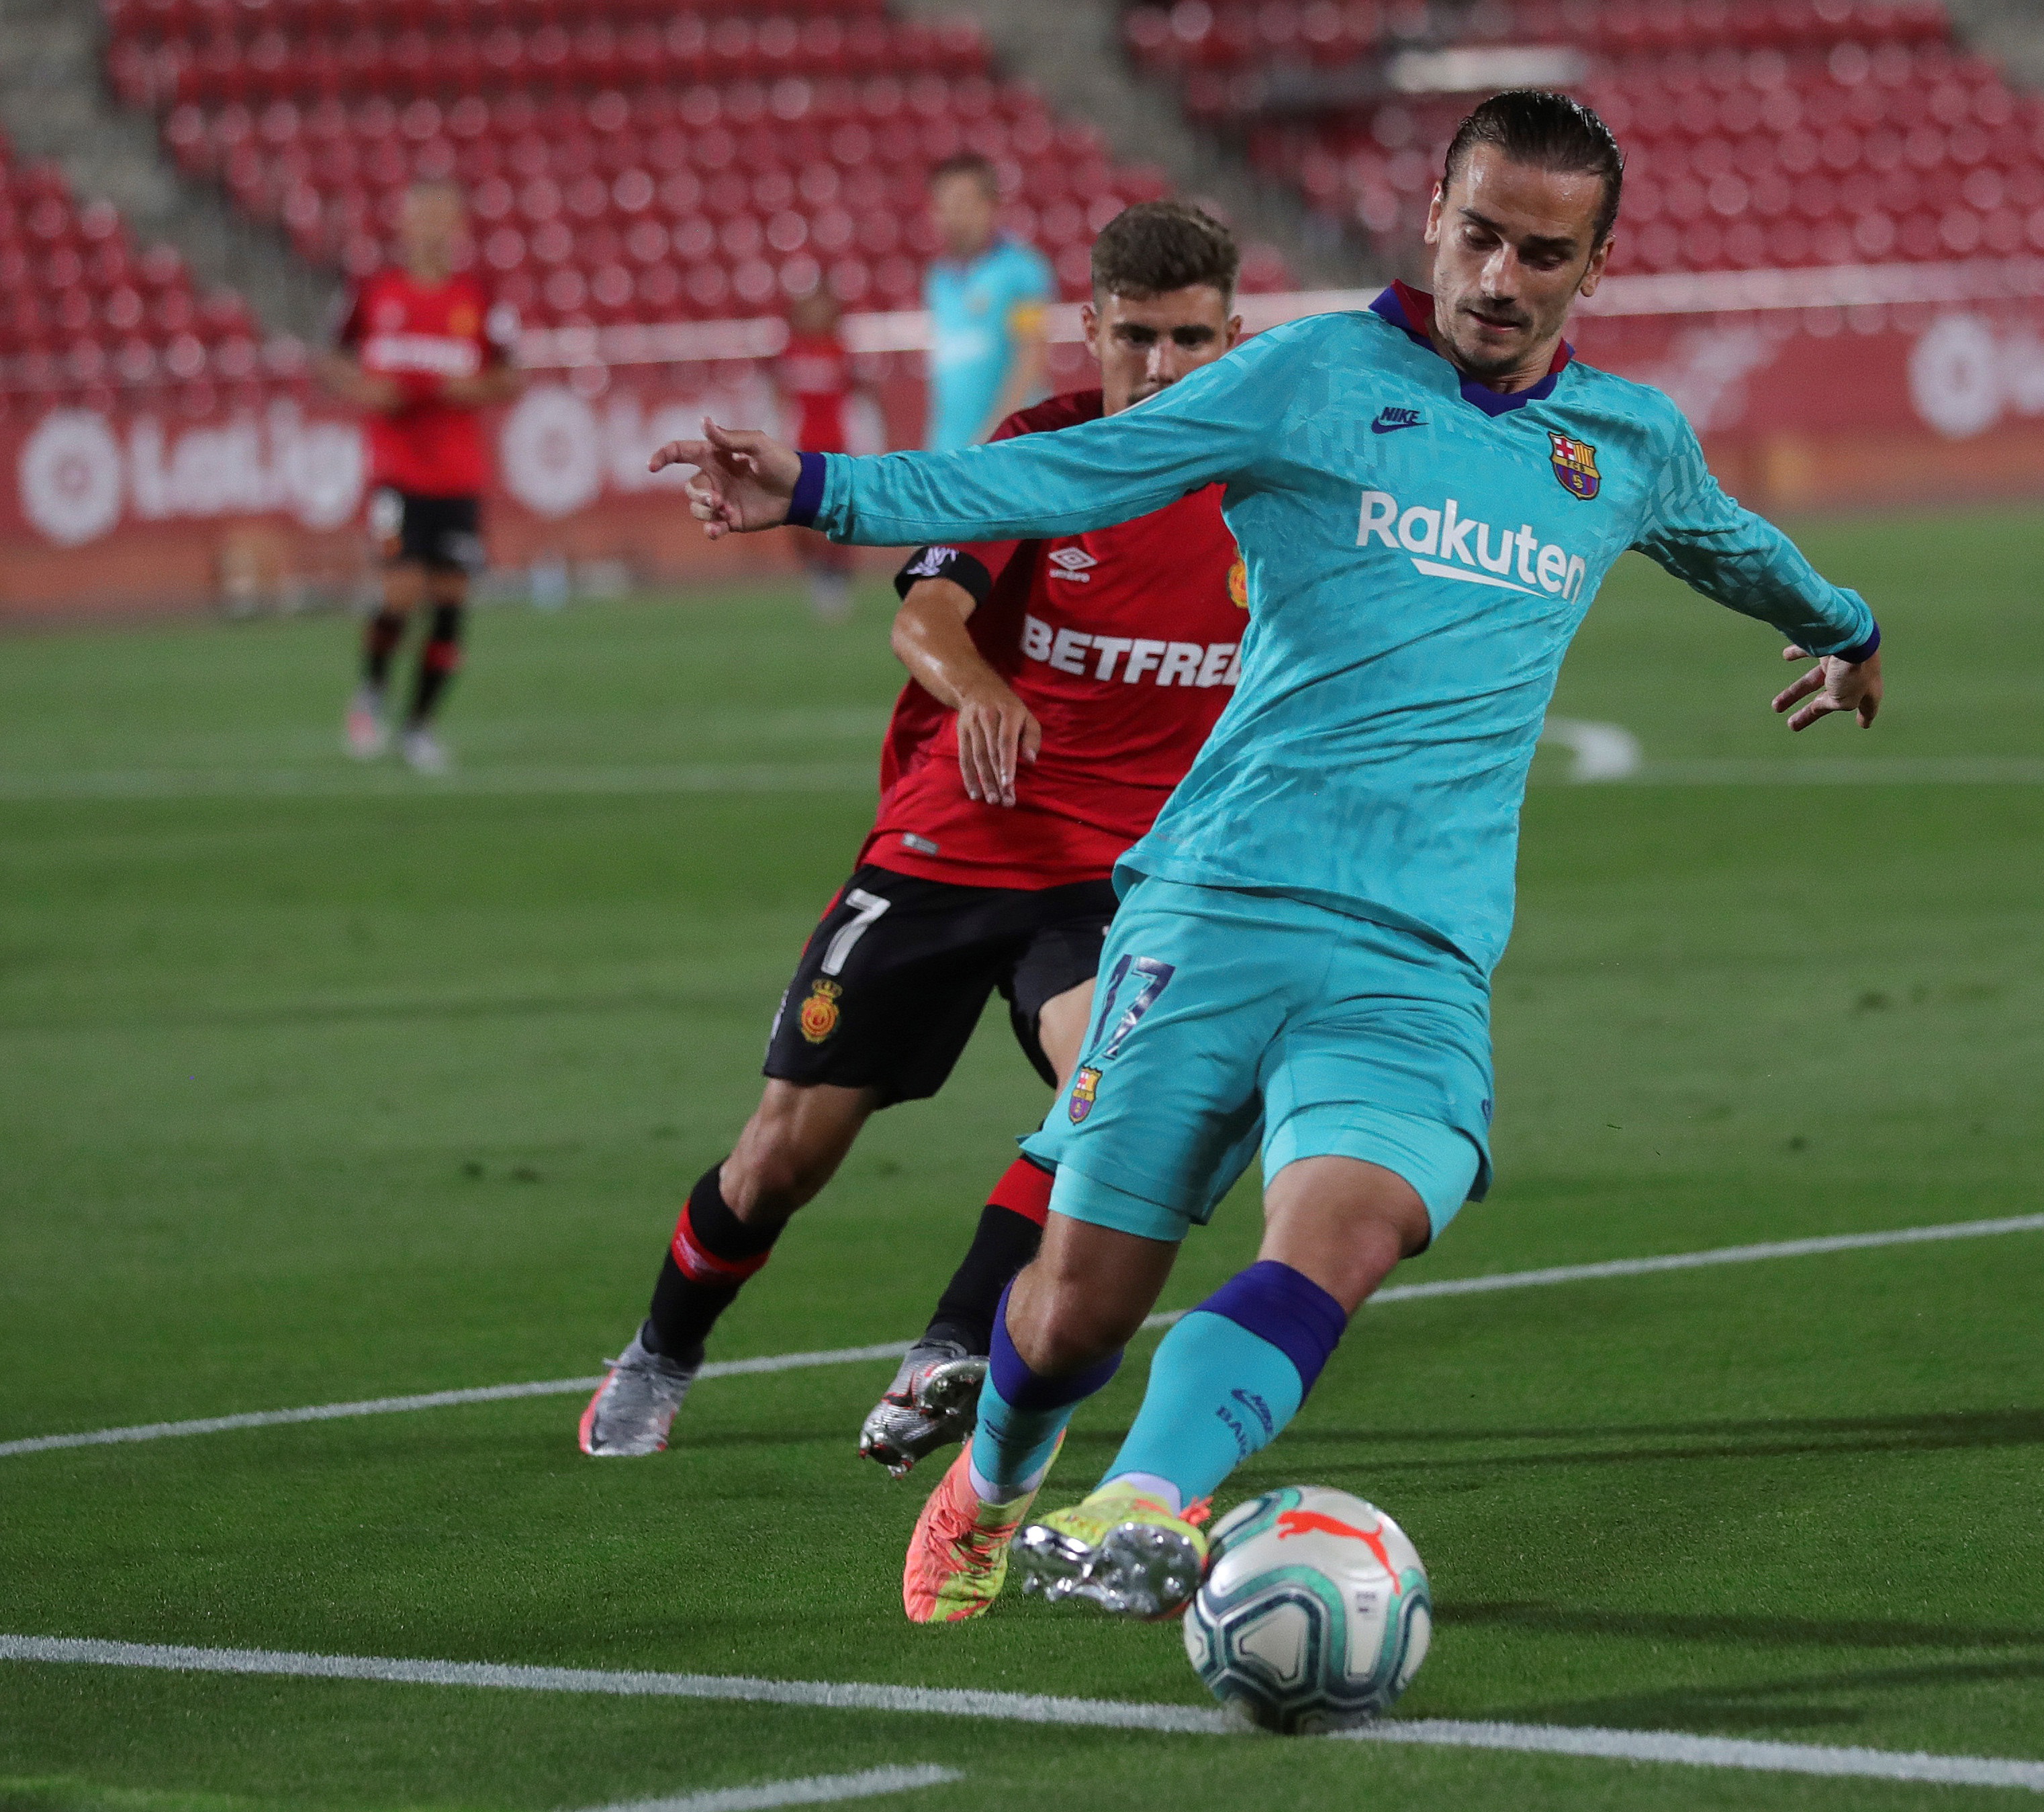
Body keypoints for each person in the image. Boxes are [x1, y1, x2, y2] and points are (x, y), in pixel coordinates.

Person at [649, 90, 1887, 1625]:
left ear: (1597, 267)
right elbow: (1063, 476)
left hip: (1415, 949)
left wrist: (1845, 629)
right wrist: (822, 492)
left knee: (1350, 1225)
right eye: (1480, 236)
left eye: (1542, 254)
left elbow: (1733, 544)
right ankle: (996, 1474)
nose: (1500, 279)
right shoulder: (1302, 373)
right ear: (1432, 217)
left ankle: (1145, 1502)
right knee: (1074, 1304)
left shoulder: (1623, 443)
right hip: (1211, 907)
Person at [579, 202, 1255, 1483]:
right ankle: (663, 1348)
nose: (1160, 369)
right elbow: (926, 613)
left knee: (1118, 1089)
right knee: (781, 1154)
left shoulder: (1265, 489)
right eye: (1134, 339)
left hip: (1109, 881)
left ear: (1234, 334)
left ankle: (948, 1345)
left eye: (1188, 340)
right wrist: (978, 685)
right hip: (947, 847)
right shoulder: (1044, 451)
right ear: (1091, 329)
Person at [321, 180, 522, 774]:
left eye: (442, 216)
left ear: (457, 225)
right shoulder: (373, 293)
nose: (432, 228)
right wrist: (361, 387)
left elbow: (513, 376)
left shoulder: (479, 299)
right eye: (421, 216)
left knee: (452, 599)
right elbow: (329, 357)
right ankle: (371, 693)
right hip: (394, 476)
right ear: (403, 226)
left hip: (458, 479)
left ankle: (418, 728)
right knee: (399, 591)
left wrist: (473, 388)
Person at [923, 153, 1052, 451]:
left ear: (991, 206)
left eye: (963, 203)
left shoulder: (1023, 270)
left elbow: (1032, 355)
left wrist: (995, 437)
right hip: (949, 451)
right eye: (944, 205)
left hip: (1008, 448)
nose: (953, 215)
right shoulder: (937, 277)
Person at [777, 285, 870, 621]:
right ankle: (818, 574)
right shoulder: (791, 353)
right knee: (798, 519)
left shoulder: (840, 351)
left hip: (837, 446)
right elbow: (781, 398)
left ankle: (837, 579)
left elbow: (862, 394)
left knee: (838, 515)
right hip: (802, 447)